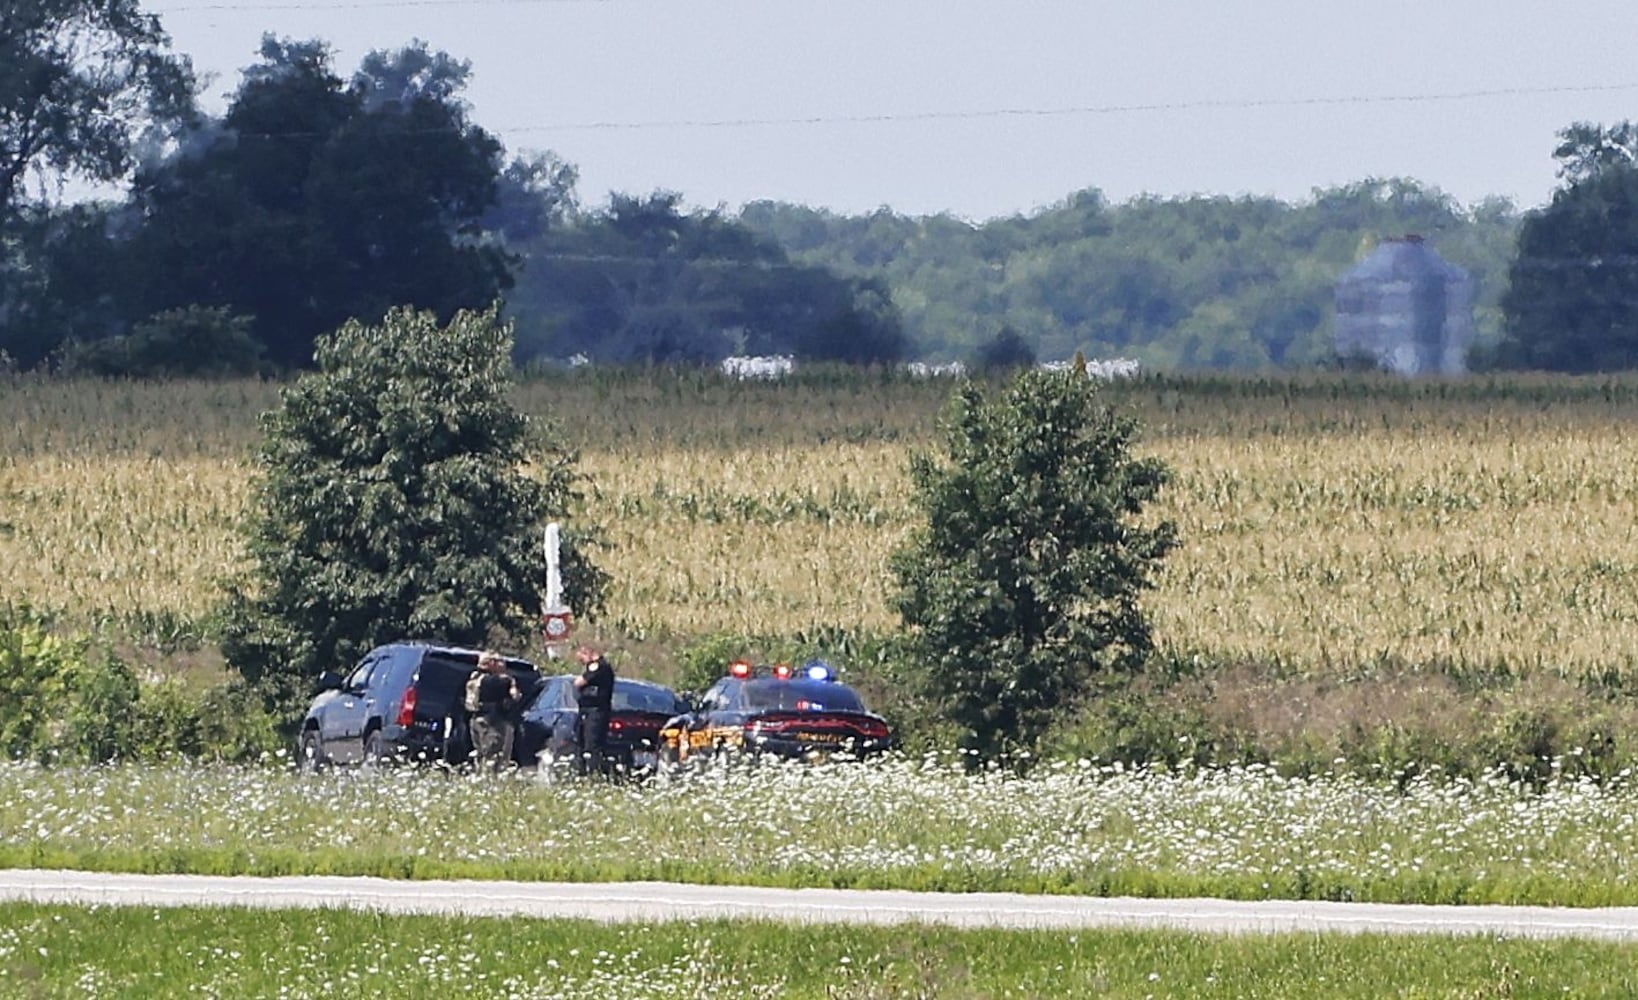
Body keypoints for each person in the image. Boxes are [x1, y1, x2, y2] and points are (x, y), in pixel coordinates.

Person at [465, 650, 521, 774]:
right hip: (493, 722)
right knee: (495, 755)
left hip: (476, 719)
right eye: (500, 661)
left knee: (481, 754)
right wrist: (512, 684)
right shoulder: (502, 680)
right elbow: (515, 696)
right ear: (491, 663)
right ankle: (491, 781)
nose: (503, 664)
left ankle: (481, 777)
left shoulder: (474, 677)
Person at [572, 644, 615, 776]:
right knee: (582, 744)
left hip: (595, 711)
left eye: (582, 659)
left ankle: (593, 774)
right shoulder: (601, 667)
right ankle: (584, 772)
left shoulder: (599, 667)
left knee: (592, 745)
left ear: (587, 653)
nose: (583, 664)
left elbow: (579, 682)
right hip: (589, 711)